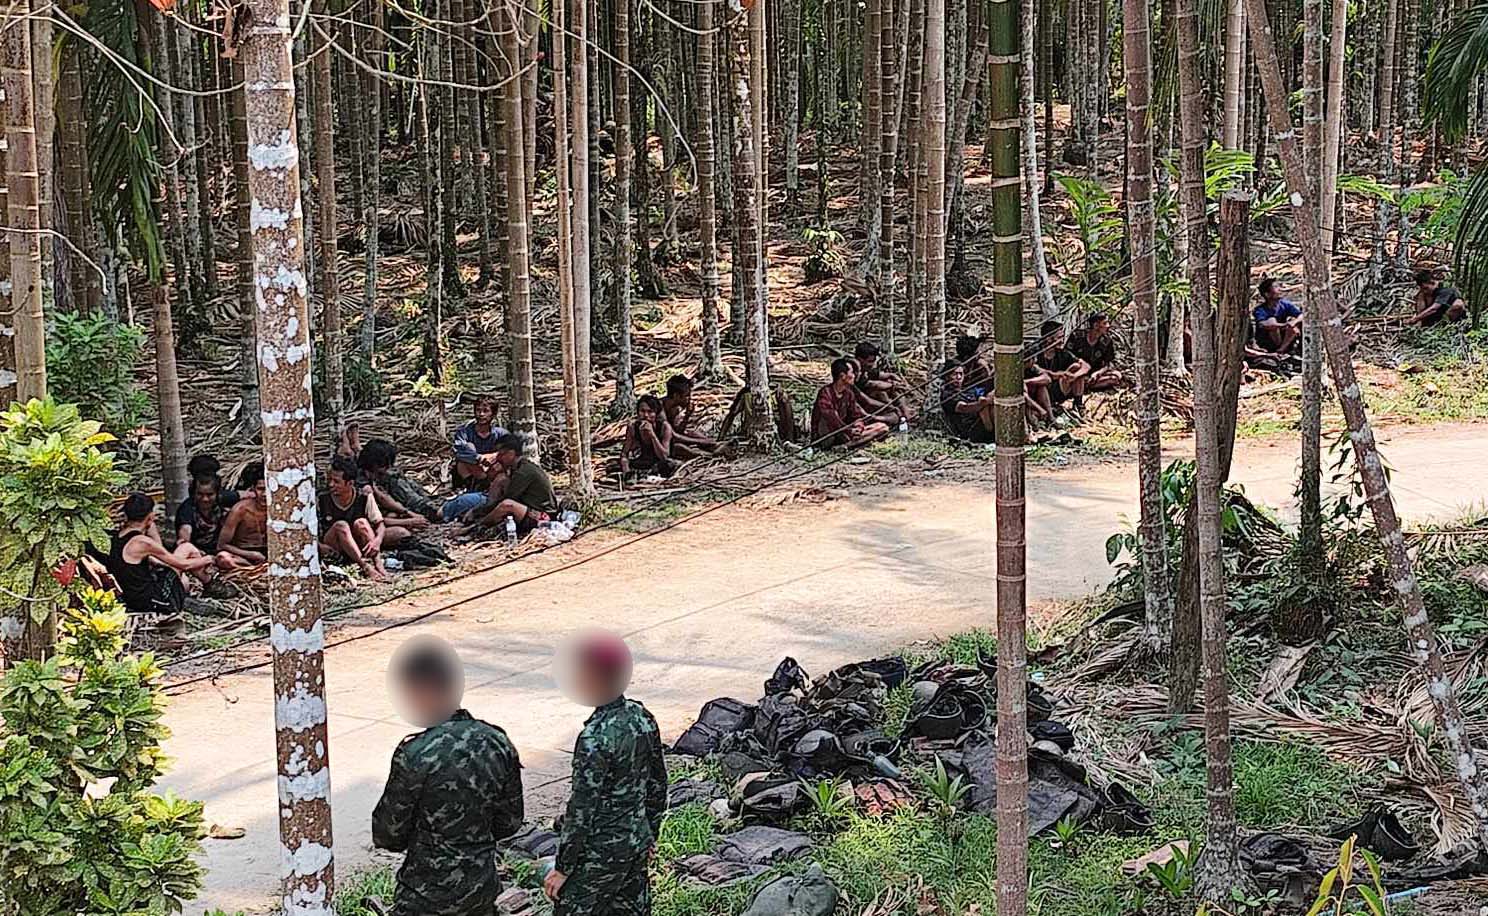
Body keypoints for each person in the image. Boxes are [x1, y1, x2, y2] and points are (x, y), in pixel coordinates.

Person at [373, 636, 524, 916]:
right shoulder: (497, 742)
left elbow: (388, 835)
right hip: (481, 889)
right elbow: (510, 822)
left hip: (424, 897)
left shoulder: (415, 753)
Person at [544, 633, 667, 915]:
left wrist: (563, 868)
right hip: (635, 844)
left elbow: (582, 810)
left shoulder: (594, 738)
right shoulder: (641, 716)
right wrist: (648, 833)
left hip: (600, 854)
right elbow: (658, 784)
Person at [106, 492, 217, 617]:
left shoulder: (116, 537)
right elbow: (183, 565)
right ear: (150, 516)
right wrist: (209, 559)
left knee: (184, 567)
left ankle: (206, 585)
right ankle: (210, 583)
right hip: (151, 600)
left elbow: (155, 560)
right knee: (187, 549)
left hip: (132, 597)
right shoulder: (142, 542)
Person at [320, 456, 407, 582]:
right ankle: (365, 566)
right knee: (341, 525)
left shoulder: (364, 496)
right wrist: (319, 546)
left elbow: (380, 524)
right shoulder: (321, 499)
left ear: (350, 483)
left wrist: (377, 541)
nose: (331, 485)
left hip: (357, 543)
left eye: (336, 481)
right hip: (334, 546)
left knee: (362, 523)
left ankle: (378, 565)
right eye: (330, 480)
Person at [470, 434, 561, 531]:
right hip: (527, 509)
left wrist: (477, 512)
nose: (498, 458)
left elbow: (509, 498)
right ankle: (482, 518)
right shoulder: (516, 468)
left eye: (501, 454)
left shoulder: (523, 472)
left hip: (543, 516)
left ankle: (475, 527)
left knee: (507, 505)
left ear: (511, 453)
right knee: (500, 480)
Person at [811, 358, 891, 449]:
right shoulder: (825, 393)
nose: (854, 376)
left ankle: (845, 446)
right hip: (829, 434)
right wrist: (849, 431)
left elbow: (856, 415)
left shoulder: (848, 393)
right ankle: (849, 444)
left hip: (845, 432)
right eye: (852, 372)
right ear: (842, 376)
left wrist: (859, 426)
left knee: (882, 427)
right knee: (831, 418)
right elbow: (832, 419)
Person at [359, 437, 439, 529]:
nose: (387, 469)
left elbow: (386, 499)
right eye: (384, 465)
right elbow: (380, 505)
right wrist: (409, 520)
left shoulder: (381, 477)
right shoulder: (362, 483)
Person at [217, 461, 269, 568]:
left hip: (271, 554)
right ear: (253, 489)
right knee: (223, 558)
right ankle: (250, 568)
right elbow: (222, 545)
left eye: (268, 489)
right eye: (261, 489)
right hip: (244, 555)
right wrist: (251, 554)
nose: (264, 494)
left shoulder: (280, 511)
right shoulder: (240, 510)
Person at [660, 375, 726, 458]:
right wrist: (700, 442)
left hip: (671, 439)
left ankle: (715, 446)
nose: (689, 399)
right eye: (687, 395)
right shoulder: (660, 409)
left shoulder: (675, 409)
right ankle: (709, 454)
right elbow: (673, 435)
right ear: (676, 395)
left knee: (692, 433)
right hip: (661, 444)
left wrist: (687, 416)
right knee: (679, 447)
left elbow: (679, 431)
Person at [452, 396, 510, 490]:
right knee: (467, 450)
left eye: (485, 411)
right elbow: (458, 450)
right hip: (469, 472)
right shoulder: (464, 431)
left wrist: (494, 456)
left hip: (491, 471)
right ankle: (476, 484)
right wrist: (479, 458)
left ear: (493, 414)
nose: (481, 414)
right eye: (478, 410)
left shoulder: (500, 433)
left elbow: (511, 450)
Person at [1033, 319, 1091, 414]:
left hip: (1058, 389)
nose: (1062, 340)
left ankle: (1078, 404)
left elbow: (1086, 366)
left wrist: (1075, 376)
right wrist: (1056, 374)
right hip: (1040, 390)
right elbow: (1036, 369)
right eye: (1059, 337)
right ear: (1049, 339)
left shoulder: (1062, 353)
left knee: (1076, 367)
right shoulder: (1036, 352)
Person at [620, 395, 678, 478]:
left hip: (658, 462)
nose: (646, 415)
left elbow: (664, 456)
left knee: (668, 465)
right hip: (643, 461)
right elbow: (625, 453)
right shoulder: (633, 427)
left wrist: (652, 435)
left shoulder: (664, 427)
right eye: (642, 411)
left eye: (650, 412)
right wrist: (626, 467)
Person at [852, 342, 910, 422]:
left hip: (869, 401)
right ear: (860, 359)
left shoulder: (865, 370)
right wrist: (890, 406)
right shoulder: (854, 375)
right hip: (862, 404)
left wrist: (894, 377)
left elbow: (880, 375)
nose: (872, 364)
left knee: (889, 385)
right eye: (870, 361)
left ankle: (905, 413)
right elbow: (873, 387)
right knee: (882, 393)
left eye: (873, 361)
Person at [939, 362, 996, 443]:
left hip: (982, 421)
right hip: (971, 430)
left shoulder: (967, 390)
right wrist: (984, 403)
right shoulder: (947, 395)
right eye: (954, 374)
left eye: (961, 374)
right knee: (989, 408)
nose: (959, 377)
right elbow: (964, 408)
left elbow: (982, 396)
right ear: (947, 377)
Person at [1068, 313, 1125, 390]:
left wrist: (1098, 373)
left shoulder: (1106, 341)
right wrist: (1080, 363)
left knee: (1116, 376)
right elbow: (1067, 354)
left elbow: (1108, 363)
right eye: (1105, 323)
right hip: (1078, 370)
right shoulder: (1077, 336)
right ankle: (1080, 385)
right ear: (1096, 325)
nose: (1108, 326)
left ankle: (1086, 385)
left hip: (1094, 372)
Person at [1253, 278, 1304, 354]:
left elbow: (1301, 315)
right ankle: (1275, 350)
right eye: (1276, 287)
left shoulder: (1285, 304)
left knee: (1294, 326)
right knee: (1272, 321)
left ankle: (1281, 350)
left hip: (1284, 341)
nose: (1280, 289)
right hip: (1267, 342)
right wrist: (1284, 325)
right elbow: (1263, 324)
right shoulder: (1260, 310)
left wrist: (1294, 322)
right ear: (1267, 294)